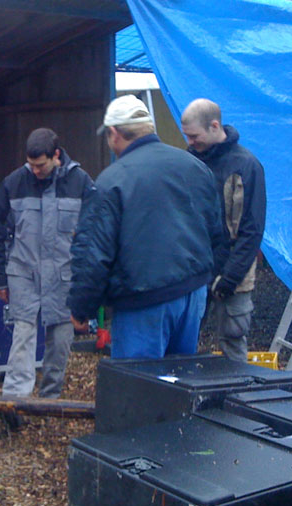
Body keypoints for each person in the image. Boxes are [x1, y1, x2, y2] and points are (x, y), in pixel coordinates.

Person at [67, 95, 224, 359]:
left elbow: (93, 252)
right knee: (182, 377)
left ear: (114, 133)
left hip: (144, 301)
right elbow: (216, 233)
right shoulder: (195, 167)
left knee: (139, 381)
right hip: (192, 294)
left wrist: (82, 307)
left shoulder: (112, 181)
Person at [0, 128, 96, 398]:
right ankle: (14, 401)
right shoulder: (14, 182)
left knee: (60, 342)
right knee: (23, 337)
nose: (35, 170)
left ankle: (50, 399)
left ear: (56, 155)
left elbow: (94, 233)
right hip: (23, 272)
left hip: (64, 276)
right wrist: (0, 277)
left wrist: (87, 282)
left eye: (40, 165)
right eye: (31, 165)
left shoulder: (81, 183)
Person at [181, 98, 267, 362]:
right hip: (194, 269)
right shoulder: (188, 162)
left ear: (214, 126)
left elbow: (252, 229)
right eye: (187, 136)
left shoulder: (247, 166)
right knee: (183, 338)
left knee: (232, 338)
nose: (190, 142)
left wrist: (230, 277)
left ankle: (237, 386)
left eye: (194, 136)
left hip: (234, 273)